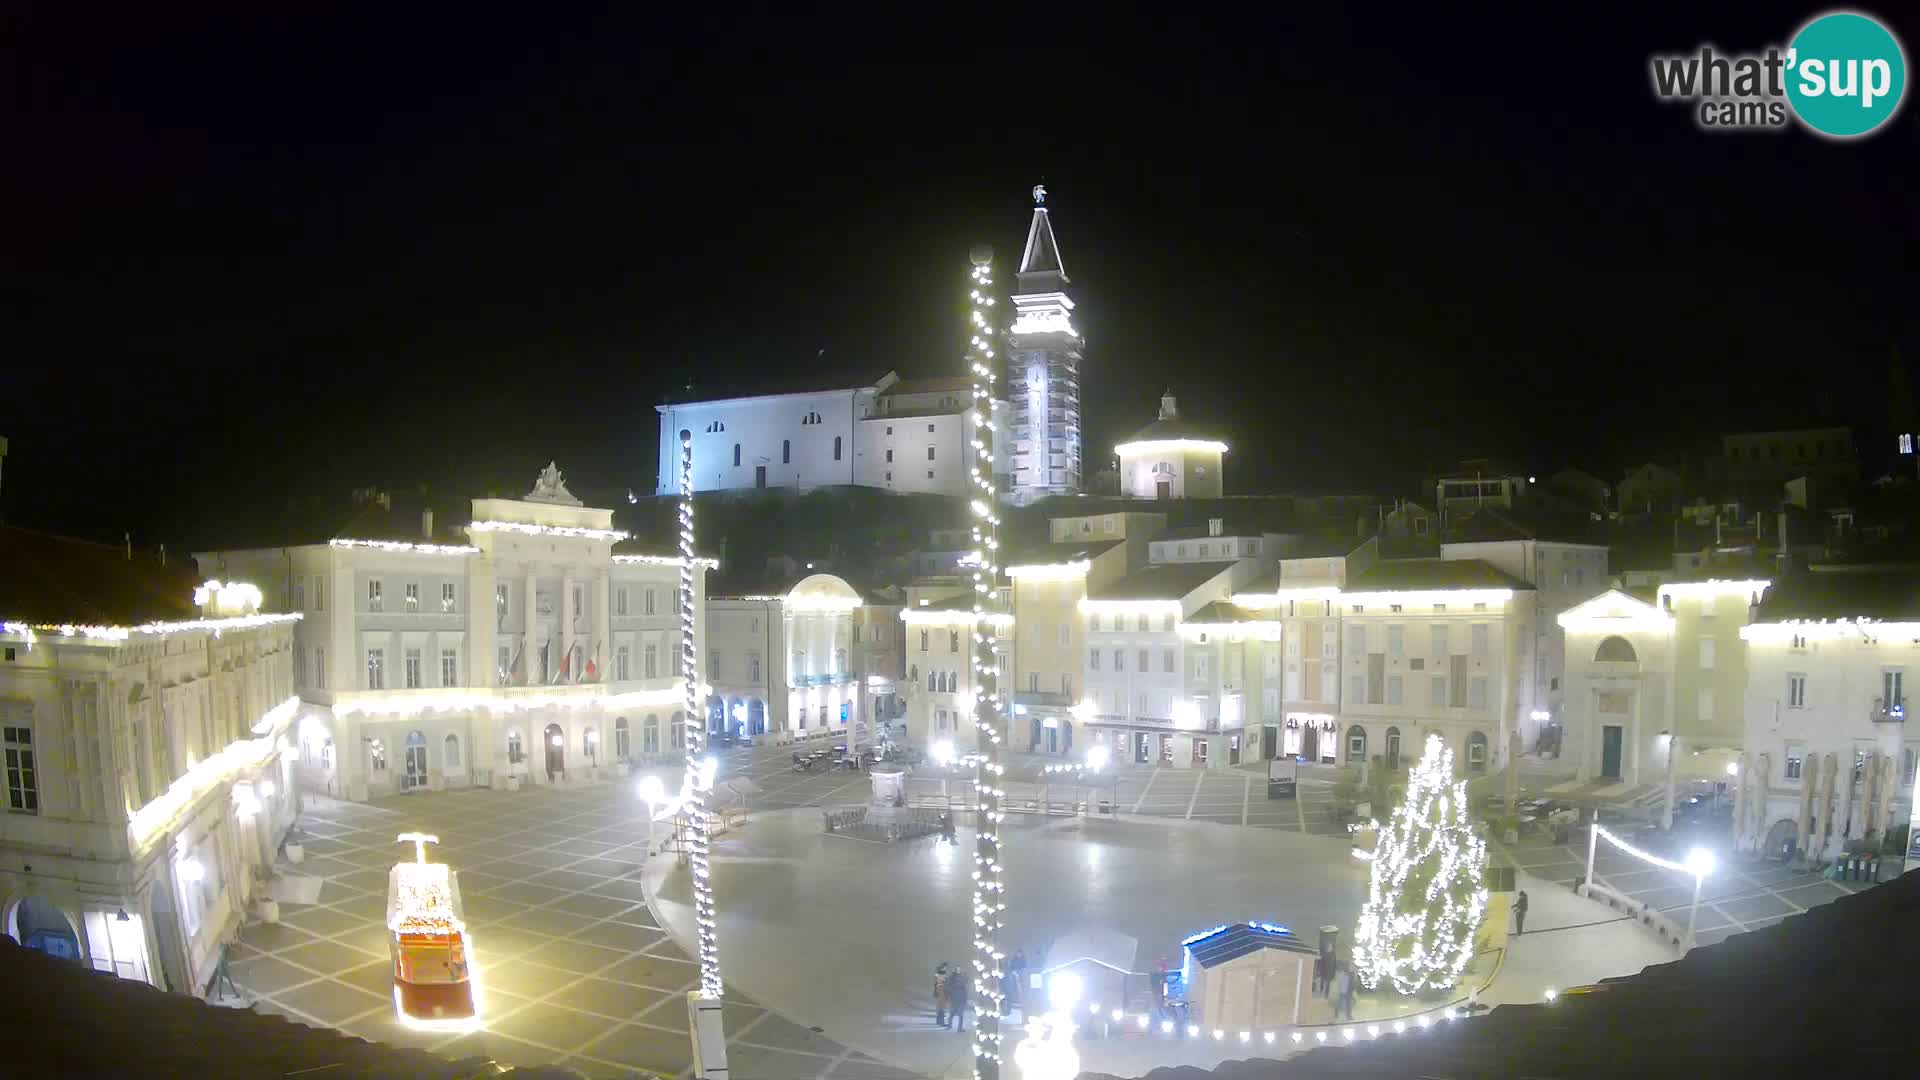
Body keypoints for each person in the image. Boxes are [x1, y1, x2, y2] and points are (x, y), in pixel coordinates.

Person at [945, 966, 969, 1031]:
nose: (958, 970)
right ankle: (950, 1025)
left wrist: (965, 997)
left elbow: (964, 986)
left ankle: (959, 1028)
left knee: (960, 1014)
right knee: (952, 1013)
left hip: (960, 997)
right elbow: (948, 986)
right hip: (955, 996)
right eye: (957, 969)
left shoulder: (961, 977)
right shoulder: (952, 977)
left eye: (959, 969)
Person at [934, 962, 950, 1027]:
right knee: (942, 1007)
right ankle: (941, 1022)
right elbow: (941, 982)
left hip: (940, 990)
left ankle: (939, 1021)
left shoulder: (938, 973)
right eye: (945, 967)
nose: (946, 968)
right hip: (941, 991)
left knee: (940, 1007)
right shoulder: (941, 974)